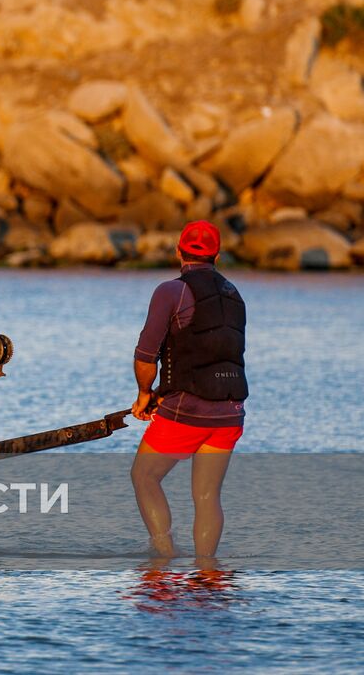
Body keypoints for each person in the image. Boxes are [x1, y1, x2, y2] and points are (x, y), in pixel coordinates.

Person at [129, 221, 248, 561]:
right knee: (208, 495)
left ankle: (164, 558)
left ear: (178, 252)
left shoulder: (170, 291)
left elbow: (145, 354)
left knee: (144, 476)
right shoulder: (234, 294)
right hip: (231, 411)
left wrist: (144, 394)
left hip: (188, 411)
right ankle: (207, 572)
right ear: (217, 256)